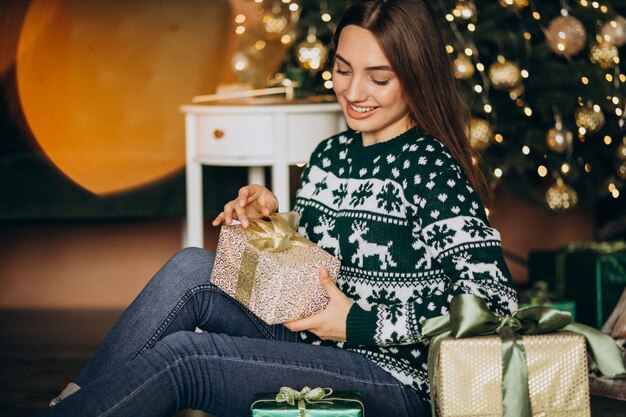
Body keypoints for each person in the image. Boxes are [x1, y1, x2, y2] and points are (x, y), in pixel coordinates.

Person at [35, 1, 517, 416]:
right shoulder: (330, 155)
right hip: (313, 341)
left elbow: (495, 305)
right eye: (343, 69)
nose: (352, 93)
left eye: (379, 78)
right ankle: (71, 407)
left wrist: (360, 323)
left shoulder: (432, 169)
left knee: (186, 359)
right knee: (191, 268)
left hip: (396, 378)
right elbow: (328, 262)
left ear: (415, 76)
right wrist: (273, 224)